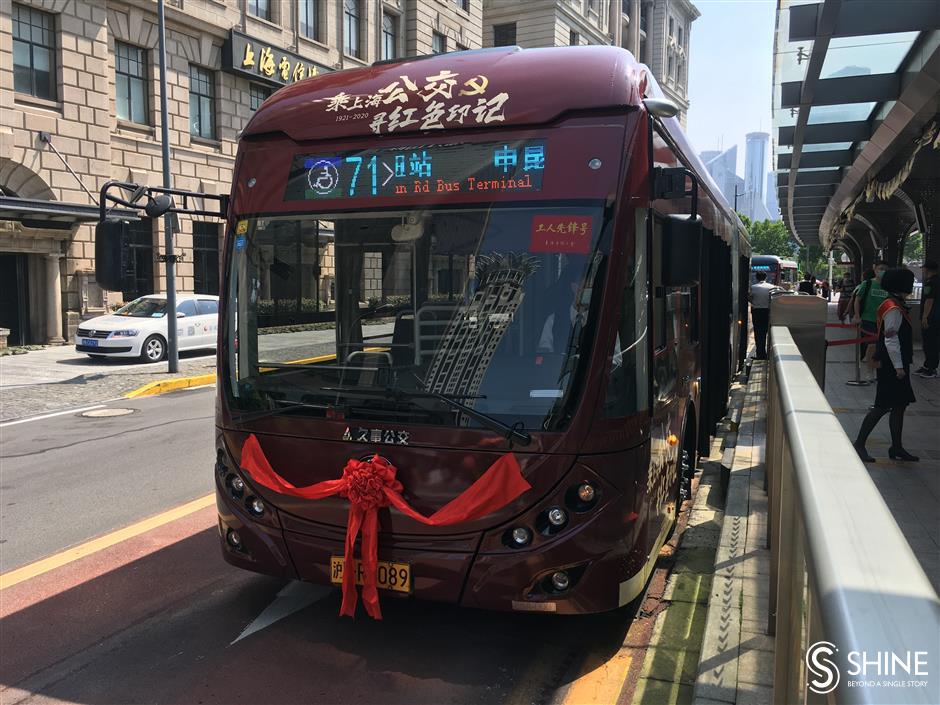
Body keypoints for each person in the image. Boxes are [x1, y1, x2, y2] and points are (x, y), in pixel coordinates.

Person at [853, 268, 918, 462]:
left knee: (899, 405)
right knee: (882, 406)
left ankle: (896, 447)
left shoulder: (894, 304)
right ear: (903, 285)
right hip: (892, 364)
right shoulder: (893, 308)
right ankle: (859, 444)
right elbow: (891, 339)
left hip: (896, 362)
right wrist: (899, 367)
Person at [853, 261, 889, 365]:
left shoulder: (888, 286)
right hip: (868, 319)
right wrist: (857, 315)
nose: (883, 271)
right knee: (872, 344)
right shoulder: (867, 284)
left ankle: (875, 367)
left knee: (880, 345)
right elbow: (857, 300)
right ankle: (870, 370)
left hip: (883, 320)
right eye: (881, 268)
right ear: (875, 270)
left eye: (885, 269)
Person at [915, 260, 939, 378]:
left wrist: (925, 317)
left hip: (931, 317)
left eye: (923, 268)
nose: (922, 270)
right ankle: (927, 365)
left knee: (929, 343)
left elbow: (929, 300)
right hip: (937, 317)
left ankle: (931, 368)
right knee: (933, 342)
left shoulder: (930, 283)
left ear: (927, 269)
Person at [749, 270, 776, 360]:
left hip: (757, 312)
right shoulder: (772, 287)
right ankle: (769, 354)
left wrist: (754, 302)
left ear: (756, 278)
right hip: (768, 312)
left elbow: (749, 298)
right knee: (767, 333)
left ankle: (760, 354)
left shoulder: (753, 287)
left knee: (758, 334)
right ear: (766, 277)